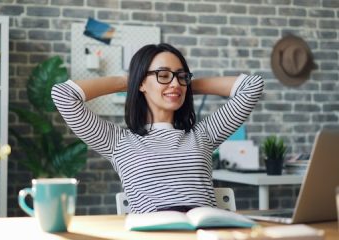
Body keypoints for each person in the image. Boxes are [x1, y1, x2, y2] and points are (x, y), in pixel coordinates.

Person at [51, 43, 264, 213]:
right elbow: (63, 95)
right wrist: (130, 81)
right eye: (163, 75)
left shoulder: (203, 135)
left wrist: (184, 86)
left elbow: (252, 87)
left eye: (181, 76)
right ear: (142, 83)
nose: (174, 84)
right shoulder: (117, 142)